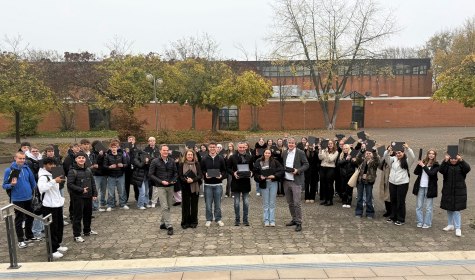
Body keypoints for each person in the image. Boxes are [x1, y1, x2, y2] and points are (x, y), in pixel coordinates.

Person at [2, 152, 38, 248]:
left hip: (29, 198)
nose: (22, 160)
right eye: (20, 158)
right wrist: (12, 185)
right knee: (19, 219)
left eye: (23, 158)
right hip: (17, 199)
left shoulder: (27, 168)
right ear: (15, 158)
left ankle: (29, 235)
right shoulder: (9, 170)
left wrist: (33, 191)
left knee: (30, 217)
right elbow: (4, 185)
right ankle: (20, 240)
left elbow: (33, 181)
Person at [38, 157, 68, 259]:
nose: (52, 166)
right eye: (50, 164)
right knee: (52, 228)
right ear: (45, 165)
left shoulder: (53, 174)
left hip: (57, 204)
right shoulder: (43, 176)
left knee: (59, 226)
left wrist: (59, 181)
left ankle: (57, 245)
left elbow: (56, 189)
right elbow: (42, 188)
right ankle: (52, 249)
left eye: (54, 164)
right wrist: (54, 181)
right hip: (49, 206)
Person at [67, 151, 98, 243]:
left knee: (88, 214)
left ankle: (87, 230)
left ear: (85, 159)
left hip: (88, 196)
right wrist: (81, 190)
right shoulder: (72, 171)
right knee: (77, 216)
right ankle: (76, 235)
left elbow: (92, 183)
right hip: (77, 197)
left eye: (83, 158)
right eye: (79, 158)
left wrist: (94, 194)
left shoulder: (88, 170)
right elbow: (70, 184)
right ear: (76, 159)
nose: (81, 159)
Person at [439, 151, 471, 237]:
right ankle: (450, 225)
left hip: (459, 191)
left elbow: (468, 169)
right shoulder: (446, 165)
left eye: (455, 158)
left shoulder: (461, 165)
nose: (453, 160)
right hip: (448, 190)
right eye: (452, 158)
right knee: (449, 208)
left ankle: (458, 228)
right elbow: (441, 170)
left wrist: (461, 160)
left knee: (456, 210)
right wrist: (445, 161)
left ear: (458, 158)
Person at [149, 144, 177, 235]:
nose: (165, 152)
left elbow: (175, 173)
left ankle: (162, 223)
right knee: (164, 206)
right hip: (160, 187)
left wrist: (173, 180)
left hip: (170, 186)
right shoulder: (155, 161)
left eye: (167, 150)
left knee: (168, 206)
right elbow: (150, 174)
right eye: (164, 150)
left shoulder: (172, 161)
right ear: (160, 151)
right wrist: (161, 181)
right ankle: (169, 226)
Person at [282, 137, 309, 232]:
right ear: (287, 143)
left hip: (296, 181)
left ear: (295, 144)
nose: (290, 144)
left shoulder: (300, 152)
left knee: (297, 203)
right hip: (286, 181)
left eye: (292, 143)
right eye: (289, 143)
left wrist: (298, 170)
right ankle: (294, 219)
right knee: (290, 203)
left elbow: (306, 164)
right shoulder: (285, 152)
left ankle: (299, 223)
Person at [385, 143, 415, 226]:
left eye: (400, 153)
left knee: (400, 201)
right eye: (397, 153)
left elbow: (413, 157)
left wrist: (408, 148)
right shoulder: (393, 159)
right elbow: (386, 157)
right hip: (392, 182)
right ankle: (393, 216)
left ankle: (401, 219)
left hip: (402, 183)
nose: (398, 154)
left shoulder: (407, 161)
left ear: (403, 153)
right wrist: (388, 150)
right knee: (393, 200)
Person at [254, 148, 284, 226]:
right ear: (263, 153)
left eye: (269, 153)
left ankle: (272, 220)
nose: (267, 154)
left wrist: (274, 176)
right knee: (266, 203)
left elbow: (281, 170)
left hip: (273, 183)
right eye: (266, 153)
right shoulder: (258, 161)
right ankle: (266, 220)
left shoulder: (275, 161)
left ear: (271, 154)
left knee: (272, 202)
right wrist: (260, 177)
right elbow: (255, 173)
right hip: (264, 184)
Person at [200, 142, 227, 227]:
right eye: (211, 147)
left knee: (218, 204)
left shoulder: (221, 158)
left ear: (216, 148)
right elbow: (202, 170)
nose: (212, 148)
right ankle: (208, 219)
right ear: (208, 148)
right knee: (208, 204)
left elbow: (224, 170)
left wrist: (221, 176)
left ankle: (218, 219)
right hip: (208, 185)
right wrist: (205, 175)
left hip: (218, 184)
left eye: (214, 147)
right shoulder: (204, 159)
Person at [412, 149, 439, 229]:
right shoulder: (423, 162)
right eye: (429, 153)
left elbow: (431, 174)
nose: (431, 155)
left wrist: (423, 166)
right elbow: (415, 172)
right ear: (427, 155)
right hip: (420, 186)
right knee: (419, 206)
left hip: (430, 188)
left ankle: (427, 223)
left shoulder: (436, 165)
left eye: (433, 154)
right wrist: (419, 164)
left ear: (435, 156)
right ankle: (420, 221)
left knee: (428, 207)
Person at [229, 142, 254, 226]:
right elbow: (228, 168)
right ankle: (237, 220)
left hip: (246, 182)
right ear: (237, 147)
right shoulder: (232, 157)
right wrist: (234, 173)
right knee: (236, 203)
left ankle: (245, 220)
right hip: (236, 182)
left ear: (245, 148)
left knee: (246, 202)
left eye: (243, 147)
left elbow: (252, 168)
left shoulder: (249, 157)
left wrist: (251, 173)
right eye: (240, 147)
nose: (242, 149)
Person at [178, 149, 203, 229]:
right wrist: (186, 180)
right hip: (185, 187)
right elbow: (180, 176)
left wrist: (193, 180)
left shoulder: (197, 164)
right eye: (188, 155)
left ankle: (194, 222)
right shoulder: (181, 164)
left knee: (194, 205)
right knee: (185, 206)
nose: (190, 156)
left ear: (193, 156)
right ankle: (185, 222)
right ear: (185, 156)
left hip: (195, 187)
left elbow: (200, 175)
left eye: (191, 155)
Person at [354, 147, 380, 218]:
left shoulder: (373, 162)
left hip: (369, 181)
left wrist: (374, 152)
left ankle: (370, 213)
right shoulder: (362, 161)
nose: (368, 154)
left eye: (369, 153)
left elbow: (377, 160)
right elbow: (357, 158)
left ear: (372, 154)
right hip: (361, 181)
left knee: (368, 198)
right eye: (367, 153)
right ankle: (358, 212)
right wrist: (361, 151)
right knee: (359, 198)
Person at [103, 141, 129, 211]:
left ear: (117, 148)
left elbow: (126, 164)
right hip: (111, 176)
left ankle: (123, 204)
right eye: (112, 147)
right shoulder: (107, 156)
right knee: (111, 192)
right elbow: (104, 166)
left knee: (121, 191)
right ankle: (110, 205)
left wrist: (123, 165)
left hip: (120, 175)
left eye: (115, 147)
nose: (114, 149)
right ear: (110, 148)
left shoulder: (121, 155)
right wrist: (109, 167)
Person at [318, 140, 338, 206]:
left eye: (331, 143)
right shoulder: (323, 150)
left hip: (330, 168)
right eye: (329, 144)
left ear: (333, 144)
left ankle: (330, 200)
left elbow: (330, 160)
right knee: (324, 184)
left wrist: (326, 153)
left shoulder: (336, 152)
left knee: (329, 185)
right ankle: (325, 200)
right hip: (323, 168)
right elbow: (320, 158)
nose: (330, 145)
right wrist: (320, 150)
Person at [144, 137, 160, 206]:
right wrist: (152, 159)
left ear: (155, 142)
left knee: (157, 184)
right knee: (149, 185)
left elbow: (158, 158)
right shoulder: (145, 149)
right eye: (150, 141)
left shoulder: (158, 149)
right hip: (148, 169)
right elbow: (145, 159)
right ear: (148, 142)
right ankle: (149, 198)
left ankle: (157, 198)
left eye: (153, 141)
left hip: (157, 170)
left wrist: (150, 159)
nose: (152, 142)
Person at [378, 145, 393, 218]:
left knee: (389, 196)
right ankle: (388, 210)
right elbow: (379, 166)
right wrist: (382, 158)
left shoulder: (394, 159)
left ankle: (391, 211)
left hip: (391, 180)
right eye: (388, 149)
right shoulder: (385, 159)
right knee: (385, 195)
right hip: (384, 179)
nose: (390, 151)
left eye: (391, 149)